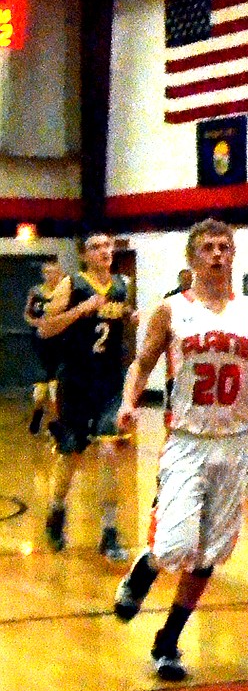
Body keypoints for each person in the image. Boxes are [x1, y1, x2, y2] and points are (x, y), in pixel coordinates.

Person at [112, 219, 248, 681]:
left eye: (225, 247)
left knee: (210, 553)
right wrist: (130, 403)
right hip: (187, 440)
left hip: (235, 442)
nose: (217, 254)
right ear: (192, 259)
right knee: (175, 543)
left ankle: (167, 642)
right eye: (208, 247)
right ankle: (144, 568)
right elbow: (142, 362)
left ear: (233, 255)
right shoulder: (171, 310)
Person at [38, 231, 138, 560]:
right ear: (85, 255)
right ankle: (56, 512)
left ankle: (109, 532)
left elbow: (123, 334)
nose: (104, 251)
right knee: (71, 454)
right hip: (76, 383)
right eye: (96, 247)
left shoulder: (123, 285)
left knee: (109, 449)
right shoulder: (72, 285)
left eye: (109, 245)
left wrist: (132, 321)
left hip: (109, 383)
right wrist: (80, 311)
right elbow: (45, 328)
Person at [23, 255, 64, 436]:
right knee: (40, 392)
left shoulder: (64, 293)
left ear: (60, 273)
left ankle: (57, 424)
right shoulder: (36, 292)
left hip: (59, 345)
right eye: (46, 272)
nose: (50, 275)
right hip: (40, 345)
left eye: (53, 272)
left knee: (56, 389)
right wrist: (37, 323)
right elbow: (27, 315)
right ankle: (37, 414)